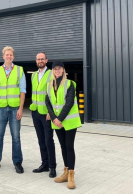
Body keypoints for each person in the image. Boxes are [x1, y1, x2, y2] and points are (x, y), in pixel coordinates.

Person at [0, 46, 26, 174]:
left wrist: (20, 109)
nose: (9, 56)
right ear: (3, 56)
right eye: (7, 55)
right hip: (1, 108)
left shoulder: (19, 70)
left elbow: (23, 90)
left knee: (16, 137)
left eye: (11, 55)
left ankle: (17, 162)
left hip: (14, 108)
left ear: (13, 56)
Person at [45, 61, 81, 189]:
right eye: (55, 69)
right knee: (63, 147)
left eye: (59, 69)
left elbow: (69, 103)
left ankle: (71, 175)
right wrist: (54, 118)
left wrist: (59, 119)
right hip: (57, 122)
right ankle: (65, 172)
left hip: (69, 121)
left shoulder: (70, 84)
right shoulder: (49, 85)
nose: (57, 71)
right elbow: (48, 103)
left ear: (63, 70)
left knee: (69, 146)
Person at [30, 52, 57, 178]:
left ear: (46, 60)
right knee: (41, 140)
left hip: (46, 113)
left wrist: (50, 112)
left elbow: (54, 94)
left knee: (48, 140)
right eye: (38, 59)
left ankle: (52, 167)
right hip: (35, 112)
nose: (40, 61)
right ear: (36, 61)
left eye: (42, 59)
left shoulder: (51, 74)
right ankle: (44, 164)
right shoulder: (34, 75)